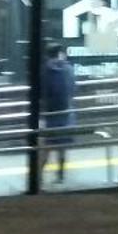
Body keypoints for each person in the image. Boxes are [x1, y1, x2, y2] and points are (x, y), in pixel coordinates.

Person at [39, 43, 77, 181]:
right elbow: (73, 90)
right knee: (62, 146)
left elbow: (41, 93)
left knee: (45, 147)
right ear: (60, 53)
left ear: (47, 55)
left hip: (50, 115)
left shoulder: (44, 70)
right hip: (66, 113)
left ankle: (38, 176)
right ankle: (60, 175)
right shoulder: (68, 69)